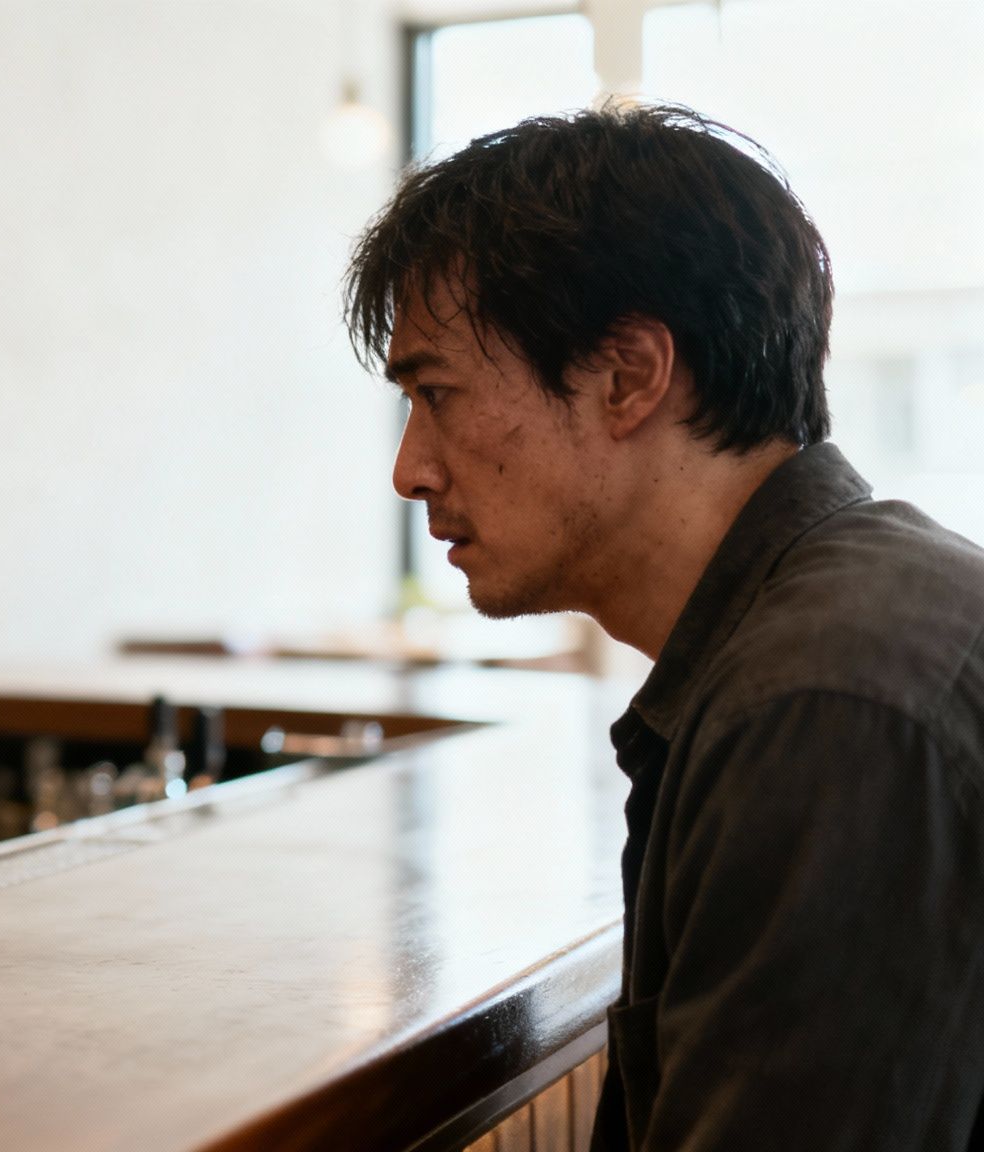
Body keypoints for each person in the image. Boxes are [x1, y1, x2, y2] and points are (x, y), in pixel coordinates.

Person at [344, 104, 984, 1149]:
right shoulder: (838, 626)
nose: (408, 469)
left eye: (437, 392)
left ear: (629, 375)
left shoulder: (821, 709)